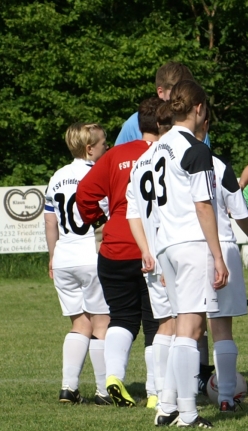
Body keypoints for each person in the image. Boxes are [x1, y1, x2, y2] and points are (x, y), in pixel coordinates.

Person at [148, 79, 227, 429]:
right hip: (191, 243)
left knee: (181, 324)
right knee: (191, 329)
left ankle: (167, 405)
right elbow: (203, 205)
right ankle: (188, 412)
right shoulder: (195, 148)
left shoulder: (157, 148)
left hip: (166, 242)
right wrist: (219, 256)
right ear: (199, 108)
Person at [77, 98, 164, 408]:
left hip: (114, 247)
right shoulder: (169, 153)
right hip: (153, 247)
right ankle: (155, 392)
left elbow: (84, 193)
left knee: (122, 318)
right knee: (156, 322)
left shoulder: (116, 154)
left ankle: (113, 377)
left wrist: (99, 220)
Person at [45, 122, 111, 405]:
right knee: (102, 323)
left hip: (64, 257)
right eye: (103, 143)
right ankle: (104, 391)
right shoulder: (99, 174)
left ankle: (68, 388)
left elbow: (50, 221)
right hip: (91, 255)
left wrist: (52, 256)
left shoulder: (58, 176)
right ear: (89, 148)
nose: (107, 147)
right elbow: (106, 219)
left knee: (79, 323)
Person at [194, 114, 248, 412]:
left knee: (183, 327)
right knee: (221, 328)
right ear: (205, 126)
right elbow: (240, 213)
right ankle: (226, 396)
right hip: (221, 246)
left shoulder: (162, 162)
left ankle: (173, 396)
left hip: (180, 248)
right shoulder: (218, 166)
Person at [125, 101, 179, 411]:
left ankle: (159, 392)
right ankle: (172, 394)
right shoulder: (174, 155)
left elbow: (133, 213)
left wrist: (145, 249)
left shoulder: (139, 163)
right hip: (175, 249)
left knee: (163, 324)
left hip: (152, 253)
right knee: (182, 324)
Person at [114, 63, 204, 146]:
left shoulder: (195, 121)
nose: (178, 100)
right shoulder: (134, 123)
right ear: (160, 92)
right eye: (173, 95)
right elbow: (117, 155)